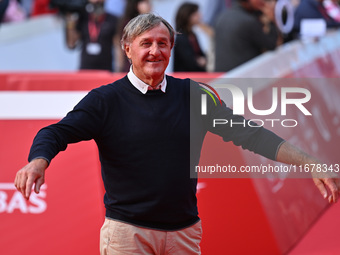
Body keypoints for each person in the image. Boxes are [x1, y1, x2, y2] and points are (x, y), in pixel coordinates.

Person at [14, 13, 339, 255]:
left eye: (162, 43)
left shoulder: (194, 95)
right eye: (146, 44)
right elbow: (55, 132)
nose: (155, 51)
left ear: (171, 48)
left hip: (184, 233)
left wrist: (310, 162)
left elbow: (250, 135)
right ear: (128, 49)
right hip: (128, 236)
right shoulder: (105, 100)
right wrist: (38, 161)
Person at [214, 0, 282, 72]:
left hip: (221, 76)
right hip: (241, 76)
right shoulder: (249, 21)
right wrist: (272, 21)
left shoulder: (222, 17)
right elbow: (272, 45)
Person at [65, 0, 118, 72]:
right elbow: (71, 44)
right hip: (85, 70)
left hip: (105, 70)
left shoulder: (113, 20)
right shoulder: (83, 18)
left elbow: (118, 46)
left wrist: (119, 69)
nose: (96, 2)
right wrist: (70, 21)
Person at [173, 2, 212, 72]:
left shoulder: (193, 35)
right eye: (196, 14)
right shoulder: (181, 39)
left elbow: (202, 55)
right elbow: (190, 63)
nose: (200, 16)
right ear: (187, 16)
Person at [116, 0, 152, 72]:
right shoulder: (128, 24)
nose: (149, 6)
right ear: (136, 4)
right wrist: (119, 66)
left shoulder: (151, 23)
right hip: (130, 66)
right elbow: (120, 47)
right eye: (145, 2)